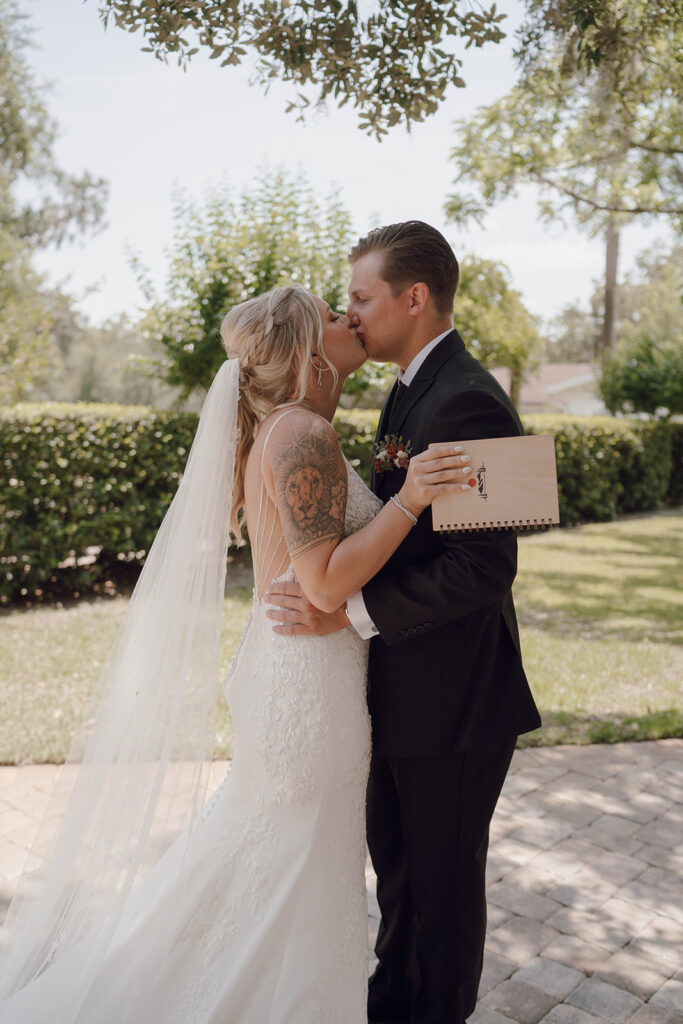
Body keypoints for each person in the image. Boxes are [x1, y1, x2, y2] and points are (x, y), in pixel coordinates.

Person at [0, 284, 472, 1023]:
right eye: (333, 315)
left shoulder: (290, 427)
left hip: (295, 672)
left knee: (275, 865)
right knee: (294, 868)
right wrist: (410, 500)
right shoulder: (301, 434)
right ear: (308, 351)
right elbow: (322, 583)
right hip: (305, 687)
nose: (349, 318)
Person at [265, 223, 542, 1024]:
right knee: (400, 887)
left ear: (413, 297)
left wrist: (345, 613)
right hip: (402, 691)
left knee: (438, 902)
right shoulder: (406, 389)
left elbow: (483, 568)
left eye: (360, 297)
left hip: (453, 702)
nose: (350, 313)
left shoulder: (468, 400)